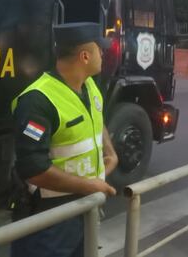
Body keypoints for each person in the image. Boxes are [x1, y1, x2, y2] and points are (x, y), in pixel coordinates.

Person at [10, 22, 118, 257]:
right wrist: (91, 185)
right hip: (50, 216)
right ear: (85, 56)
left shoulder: (88, 86)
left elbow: (95, 118)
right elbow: (33, 169)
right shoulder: (38, 101)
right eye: (100, 49)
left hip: (84, 207)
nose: (103, 53)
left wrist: (110, 152)